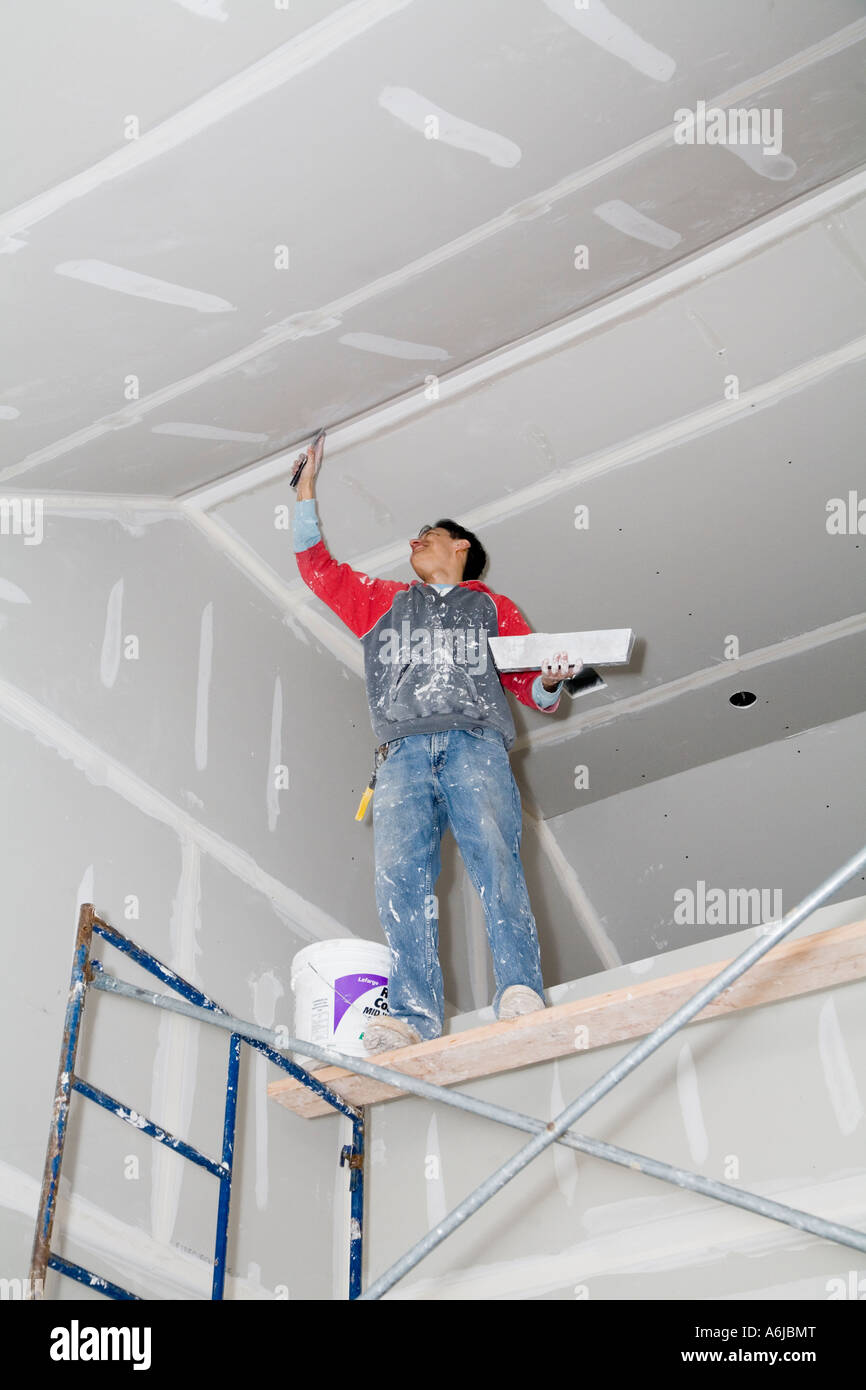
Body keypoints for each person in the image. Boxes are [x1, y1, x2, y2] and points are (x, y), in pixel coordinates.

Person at [292, 432, 580, 1053]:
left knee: (496, 862)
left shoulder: (494, 610)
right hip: (401, 756)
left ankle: (519, 988)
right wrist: (306, 489)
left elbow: (535, 689)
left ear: (461, 546)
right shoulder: (383, 603)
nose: (414, 541)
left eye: (428, 532)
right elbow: (317, 568)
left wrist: (554, 680)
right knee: (400, 879)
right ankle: (413, 1016)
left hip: (477, 747)